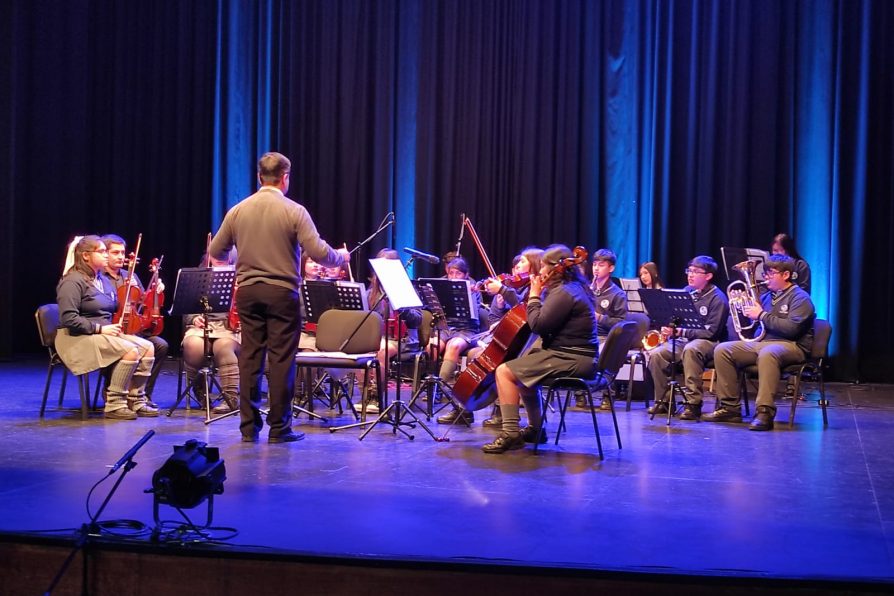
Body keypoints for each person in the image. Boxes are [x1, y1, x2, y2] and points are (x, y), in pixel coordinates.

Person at [209, 152, 346, 444]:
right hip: (282, 293)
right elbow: (320, 252)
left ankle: (248, 429)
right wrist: (341, 257)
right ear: (285, 178)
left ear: (259, 177)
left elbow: (217, 252)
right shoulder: (294, 210)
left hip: (247, 292)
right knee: (282, 359)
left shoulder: (237, 210)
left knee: (250, 358)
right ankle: (280, 428)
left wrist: (242, 252)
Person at [483, 244, 598, 453]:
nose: (540, 271)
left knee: (505, 371)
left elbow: (538, 325)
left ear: (555, 268)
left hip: (572, 358)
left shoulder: (564, 292)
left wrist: (534, 295)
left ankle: (510, 433)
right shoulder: (571, 288)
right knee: (525, 377)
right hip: (575, 355)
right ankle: (536, 429)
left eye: (544, 266)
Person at [704, 255, 815, 430]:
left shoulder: (800, 298)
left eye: (771, 274)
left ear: (786, 275)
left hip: (792, 345)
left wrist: (761, 315)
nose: (765, 278)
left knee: (768, 352)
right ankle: (729, 408)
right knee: (723, 350)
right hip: (763, 343)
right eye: (765, 273)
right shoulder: (766, 297)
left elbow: (792, 329)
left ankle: (764, 411)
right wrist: (742, 311)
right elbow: (755, 328)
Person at [55, 235, 157, 419]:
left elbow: (118, 306)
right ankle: (115, 403)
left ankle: (136, 399)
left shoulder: (101, 280)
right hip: (76, 338)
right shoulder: (72, 281)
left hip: (104, 333)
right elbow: (68, 318)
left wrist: (147, 294)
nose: (106, 256)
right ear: (86, 256)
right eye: (101, 252)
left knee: (147, 347)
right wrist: (100, 329)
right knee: (130, 351)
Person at [645, 256, 729, 420]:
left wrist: (681, 332)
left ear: (708, 276)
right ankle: (664, 401)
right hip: (686, 340)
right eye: (689, 271)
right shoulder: (686, 292)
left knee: (691, 350)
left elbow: (711, 332)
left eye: (695, 272)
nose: (690, 275)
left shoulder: (718, 298)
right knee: (657, 354)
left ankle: (693, 404)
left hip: (710, 343)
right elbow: (677, 319)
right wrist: (668, 326)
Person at [101, 234, 170, 406]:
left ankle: (142, 393)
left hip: (132, 328)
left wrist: (156, 291)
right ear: (105, 254)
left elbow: (141, 302)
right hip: (111, 329)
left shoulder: (128, 275)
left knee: (160, 345)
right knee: (125, 346)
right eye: (115, 253)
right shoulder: (99, 278)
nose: (120, 257)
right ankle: (111, 388)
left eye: (122, 253)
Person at [365, 248, 424, 413]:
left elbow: (418, 320)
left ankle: (377, 397)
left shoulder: (407, 289)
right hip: (379, 337)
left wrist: (401, 305)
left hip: (404, 340)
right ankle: (366, 395)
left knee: (381, 350)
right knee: (359, 348)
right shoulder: (372, 291)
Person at [181, 251, 241, 414]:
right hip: (202, 325)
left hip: (229, 326)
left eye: (224, 255)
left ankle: (231, 398)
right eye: (216, 255)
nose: (220, 259)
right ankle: (200, 392)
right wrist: (194, 319)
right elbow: (186, 304)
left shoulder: (241, 275)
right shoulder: (200, 276)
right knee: (193, 345)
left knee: (224, 349)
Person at [428, 256, 484, 424]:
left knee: (453, 346)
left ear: (465, 275)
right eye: (451, 273)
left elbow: (475, 314)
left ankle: (441, 388)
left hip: (466, 329)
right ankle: (432, 389)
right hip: (447, 327)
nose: (453, 276)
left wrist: (470, 294)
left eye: (458, 273)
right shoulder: (444, 286)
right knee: (433, 345)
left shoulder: (473, 288)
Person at [590, 249, 628, 341]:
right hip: (585, 333)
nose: (596, 268)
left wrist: (599, 318)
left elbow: (621, 323)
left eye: (601, 265)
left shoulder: (618, 294)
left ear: (611, 268)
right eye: (594, 264)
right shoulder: (589, 289)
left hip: (603, 337)